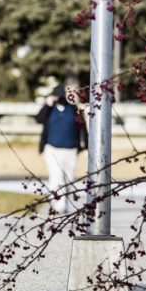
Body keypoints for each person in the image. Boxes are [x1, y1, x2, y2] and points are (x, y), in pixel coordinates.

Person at [35, 84, 86, 214]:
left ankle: (64, 202)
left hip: (70, 150)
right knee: (56, 177)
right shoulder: (50, 110)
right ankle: (58, 204)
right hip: (52, 149)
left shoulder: (73, 109)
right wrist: (47, 105)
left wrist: (86, 145)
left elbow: (82, 128)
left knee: (69, 179)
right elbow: (38, 119)